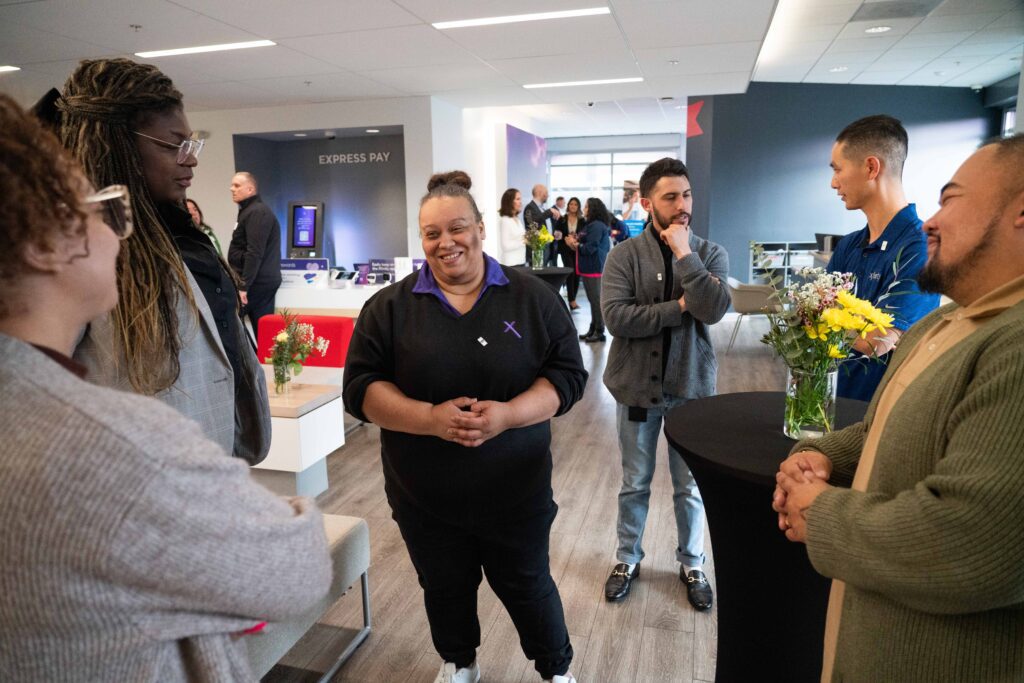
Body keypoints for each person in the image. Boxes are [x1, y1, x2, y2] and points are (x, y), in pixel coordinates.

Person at [0, 92, 331, 682]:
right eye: (102, 206)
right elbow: (297, 567)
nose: (114, 230)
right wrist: (241, 511)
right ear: (44, 243)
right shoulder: (118, 449)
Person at [773, 134, 1024, 682]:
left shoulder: (1014, 345)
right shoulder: (946, 324)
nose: (931, 222)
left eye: (951, 200)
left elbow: (974, 543)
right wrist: (820, 454)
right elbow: (886, 424)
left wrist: (819, 511)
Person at [343, 171, 586, 683]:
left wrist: (508, 415)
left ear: (479, 227)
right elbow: (361, 390)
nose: (445, 242)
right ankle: (459, 664)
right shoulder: (388, 308)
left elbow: (566, 377)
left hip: (514, 491)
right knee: (444, 587)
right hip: (424, 495)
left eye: (457, 228)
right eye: (431, 233)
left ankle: (556, 670)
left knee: (528, 584)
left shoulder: (532, 298)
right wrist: (429, 419)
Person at [51, 57, 270, 464]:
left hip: (212, 467)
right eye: (173, 145)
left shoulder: (181, 234)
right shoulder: (73, 250)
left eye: (192, 144)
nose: (191, 160)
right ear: (115, 145)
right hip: (133, 491)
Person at [600, 157, 731, 609]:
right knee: (635, 482)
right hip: (635, 388)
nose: (682, 206)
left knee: (689, 487)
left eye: (687, 195)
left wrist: (685, 256)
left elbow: (713, 309)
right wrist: (678, 308)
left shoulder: (709, 254)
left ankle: (692, 562)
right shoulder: (622, 256)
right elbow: (617, 319)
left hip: (691, 390)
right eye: (671, 197)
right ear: (647, 202)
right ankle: (626, 558)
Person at [826, 114, 939, 401]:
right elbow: (814, 317)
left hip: (881, 409)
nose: (833, 183)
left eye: (838, 169)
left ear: (871, 167)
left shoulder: (920, 248)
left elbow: (877, 341)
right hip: (830, 398)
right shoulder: (849, 245)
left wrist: (828, 319)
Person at [228, 171, 282, 336]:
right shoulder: (249, 211)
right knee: (259, 333)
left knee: (262, 333)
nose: (232, 189)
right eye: (232, 185)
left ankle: (261, 361)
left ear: (250, 189)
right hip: (255, 282)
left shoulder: (257, 212)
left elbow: (255, 252)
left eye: (237, 186)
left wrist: (244, 285)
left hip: (257, 284)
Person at [567, 197, 611, 342]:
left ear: (592, 209)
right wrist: (576, 241)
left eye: (586, 207)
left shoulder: (597, 226)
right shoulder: (590, 225)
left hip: (594, 267)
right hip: (588, 267)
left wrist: (576, 245)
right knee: (593, 300)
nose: (584, 209)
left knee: (596, 300)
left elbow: (590, 247)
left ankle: (599, 331)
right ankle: (593, 328)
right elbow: (584, 241)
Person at [554, 196, 583, 310]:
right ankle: (571, 300)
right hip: (565, 249)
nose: (573, 206)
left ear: (578, 206)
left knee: (576, 274)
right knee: (570, 272)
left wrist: (576, 240)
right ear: (568, 205)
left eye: (575, 204)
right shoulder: (562, 219)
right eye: (571, 204)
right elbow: (557, 233)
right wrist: (564, 239)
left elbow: (584, 234)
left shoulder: (582, 220)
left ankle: (573, 298)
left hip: (577, 250)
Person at [523, 183, 561, 266]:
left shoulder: (542, 208)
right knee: (537, 274)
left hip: (546, 247)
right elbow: (533, 223)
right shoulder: (529, 208)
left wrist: (553, 233)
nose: (548, 195)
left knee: (543, 274)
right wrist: (549, 211)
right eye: (546, 193)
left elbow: (543, 225)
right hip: (536, 248)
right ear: (540, 193)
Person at [498, 187, 525, 266]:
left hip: (521, 261)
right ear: (510, 201)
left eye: (520, 199)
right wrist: (524, 241)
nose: (520, 202)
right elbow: (505, 246)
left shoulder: (517, 219)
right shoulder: (505, 220)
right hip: (511, 264)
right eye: (517, 199)